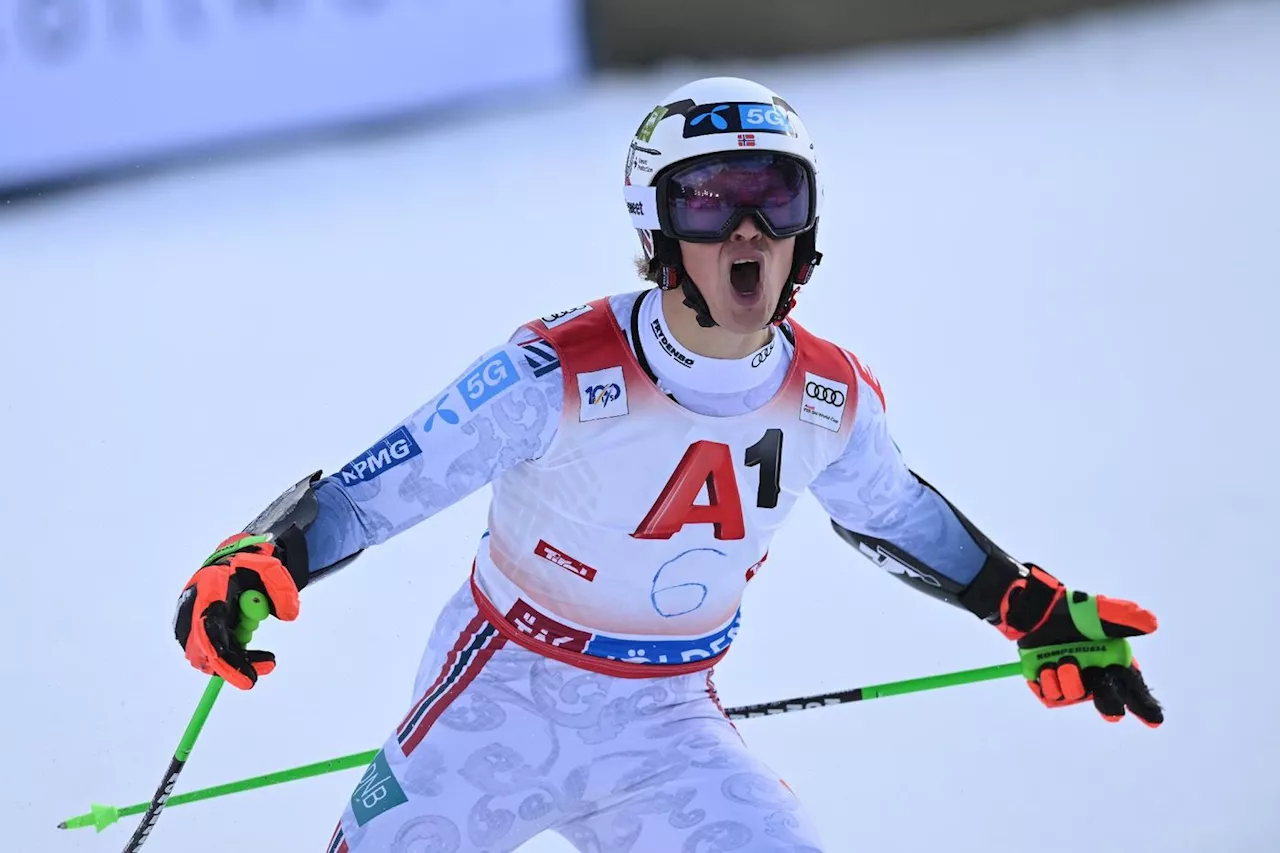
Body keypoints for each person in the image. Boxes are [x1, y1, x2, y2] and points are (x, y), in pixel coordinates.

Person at [172, 77, 1163, 852]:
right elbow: (363, 495)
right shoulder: (550, 370)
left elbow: (890, 512)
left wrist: (1025, 605)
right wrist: (261, 557)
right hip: (496, 704)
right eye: (709, 201)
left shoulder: (830, 395)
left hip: (667, 726)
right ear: (654, 229)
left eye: (775, 196)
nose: (747, 231)